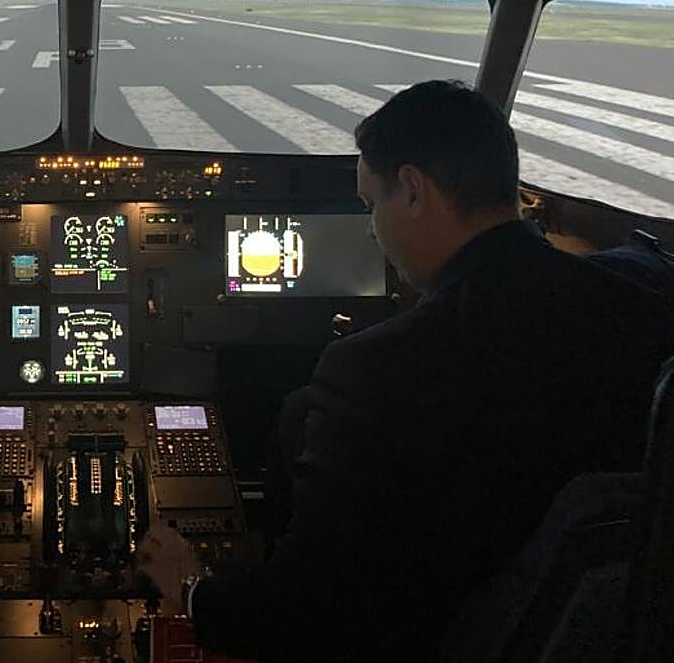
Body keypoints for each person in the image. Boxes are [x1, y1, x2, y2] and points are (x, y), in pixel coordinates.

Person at [137, 81, 674, 662]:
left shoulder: (379, 371)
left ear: (413, 190)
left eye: (372, 205)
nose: (372, 229)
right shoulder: (647, 294)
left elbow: (294, 613)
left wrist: (192, 588)